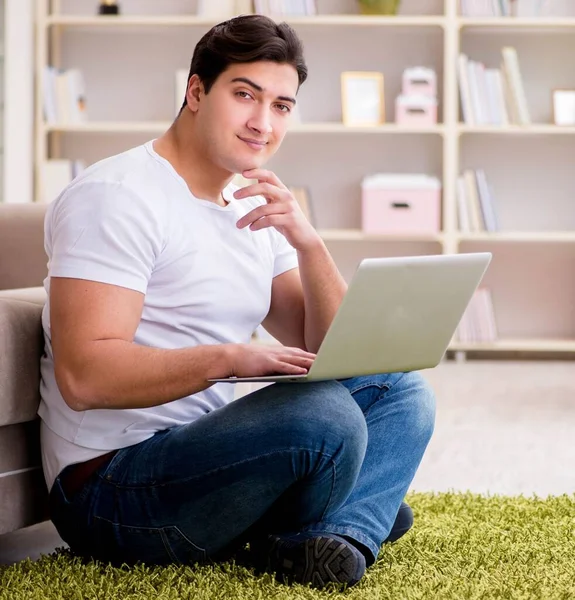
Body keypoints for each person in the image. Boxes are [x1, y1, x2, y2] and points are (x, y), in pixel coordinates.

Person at [39, 14, 435, 590]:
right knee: (324, 419)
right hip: (109, 489)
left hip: (204, 453)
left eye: (281, 105)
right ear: (196, 90)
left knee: (399, 387)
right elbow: (85, 375)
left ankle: (337, 536)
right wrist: (230, 359)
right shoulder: (116, 198)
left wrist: (309, 241)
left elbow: (329, 348)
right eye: (245, 95)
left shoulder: (245, 199)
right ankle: (345, 513)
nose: (262, 122)